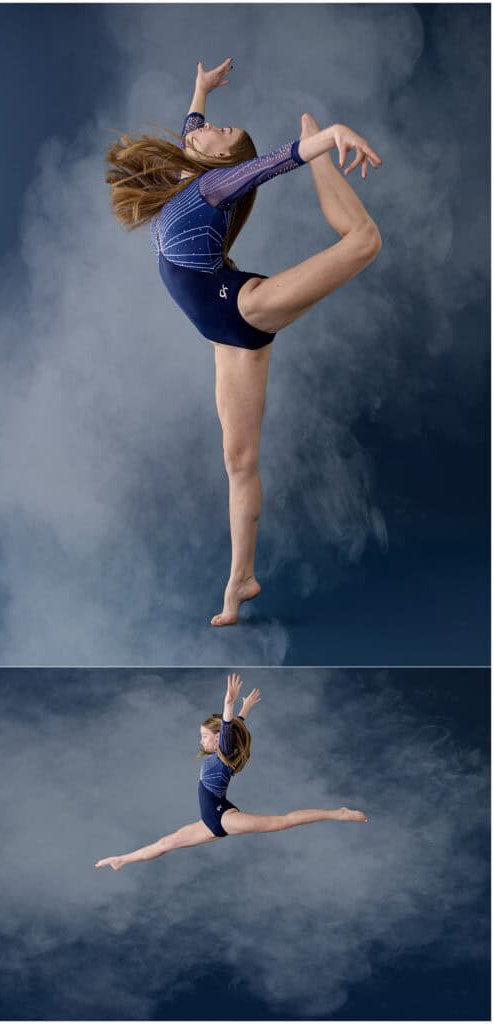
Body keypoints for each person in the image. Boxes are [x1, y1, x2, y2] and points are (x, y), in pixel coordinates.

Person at [105, 58, 383, 627]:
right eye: (214, 127)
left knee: (362, 243)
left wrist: (323, 140)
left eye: (218, 133)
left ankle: (323, 154)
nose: (208, 129)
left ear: (219, 160)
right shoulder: (193, 167)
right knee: (239, 461)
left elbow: (268, 166)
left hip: (242, 306)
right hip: (224, 334)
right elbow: (191, 127)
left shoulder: (213, 183)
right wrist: (200, 88)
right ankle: (241, 582)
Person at [95, 673, 368, 870]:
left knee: (280, 822)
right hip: (210, 821)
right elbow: (236, 726)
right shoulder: (224, 749)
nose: (201, 741)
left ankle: (338, 813)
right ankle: (121, 860)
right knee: (165, 843)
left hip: (222, 817)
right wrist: (245, 707)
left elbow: (228, 727)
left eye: (204, 736)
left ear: (217, 739)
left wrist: (229, 703)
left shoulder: (224, 752)